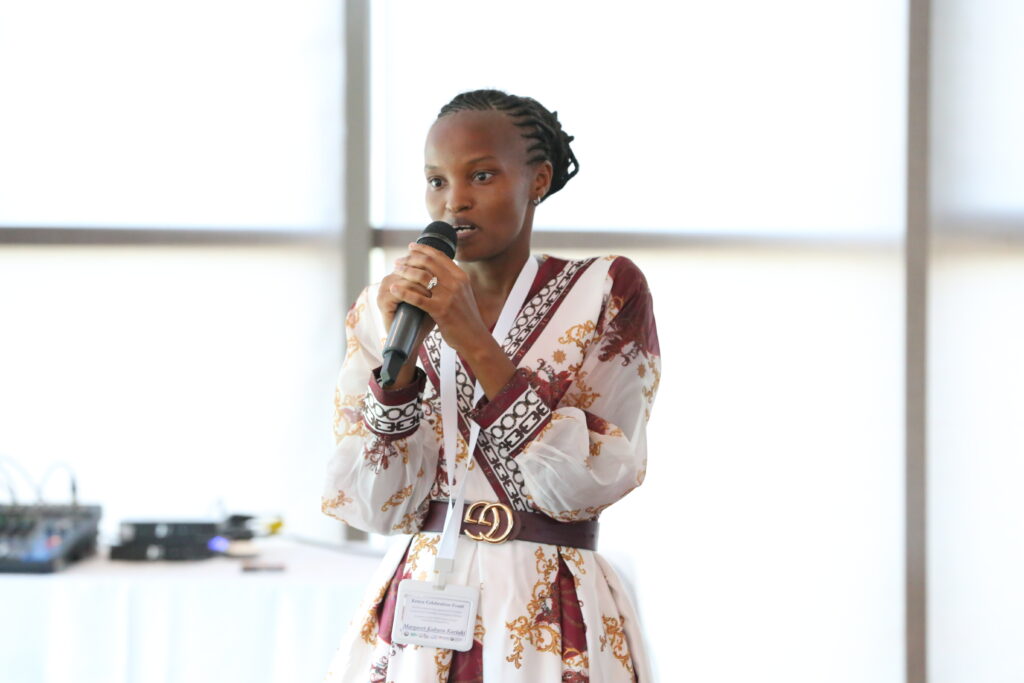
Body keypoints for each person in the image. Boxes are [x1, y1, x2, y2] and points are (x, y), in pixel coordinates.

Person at [322, 89, 660, 682]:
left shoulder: (606, 289)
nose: (454, 201)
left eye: (481, 175)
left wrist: (471, 336)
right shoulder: (383, 310)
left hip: (551, 602)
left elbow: (592, 482)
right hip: (421, 600)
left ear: (538, 180)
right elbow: (376, 505)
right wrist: (396, 375)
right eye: (435, 181)